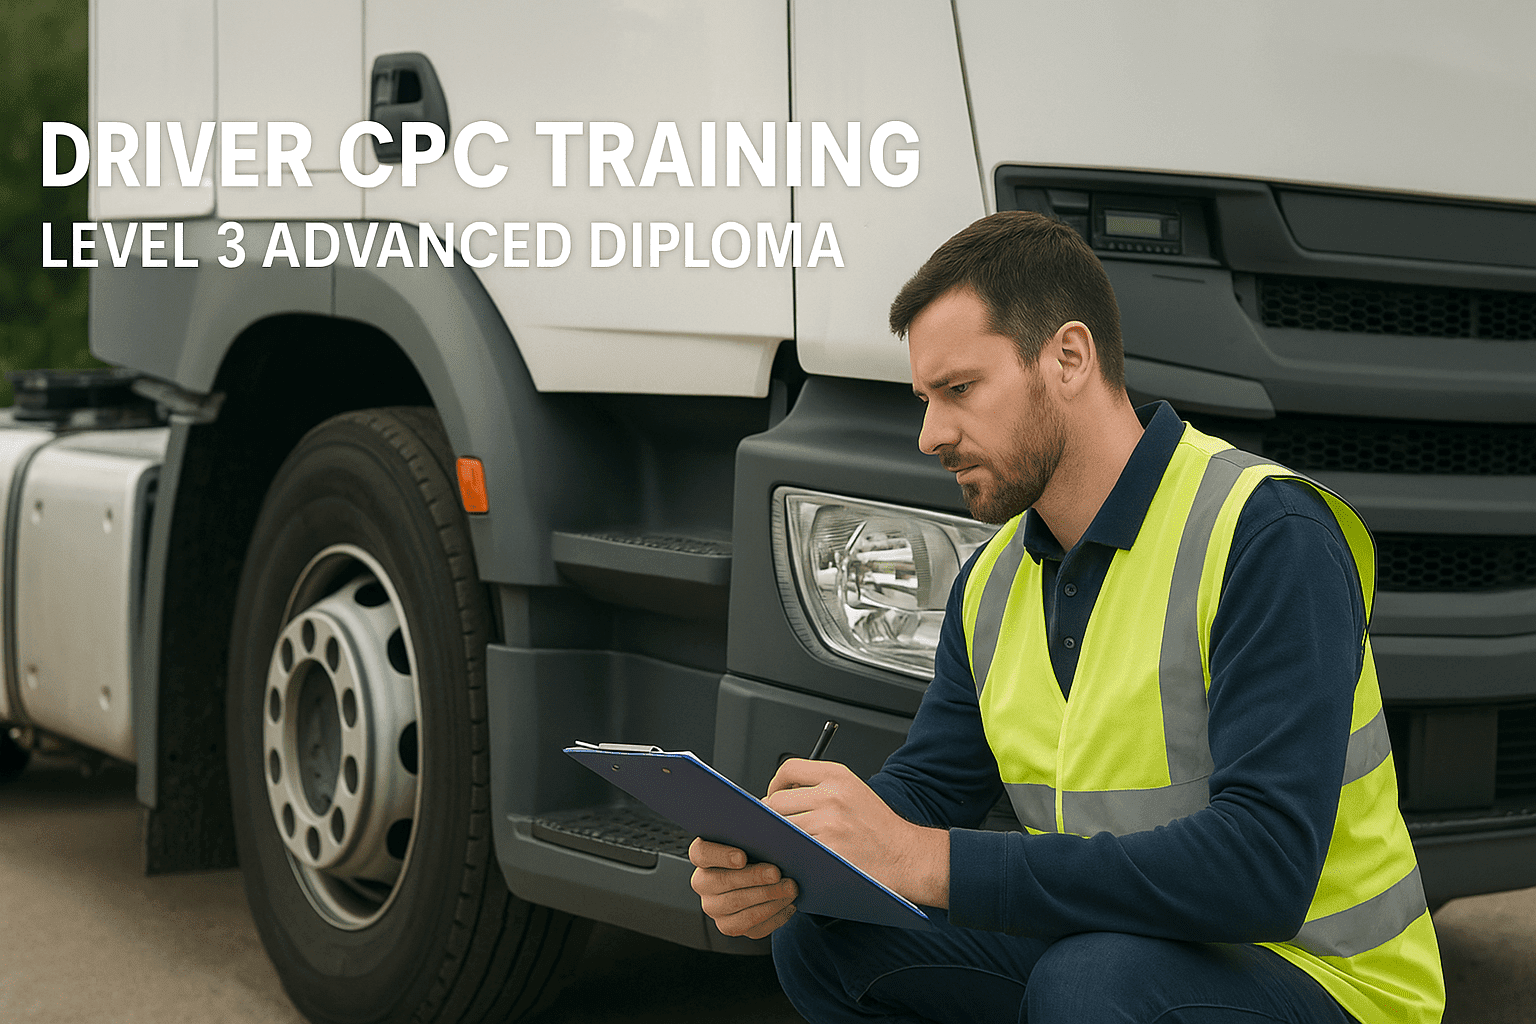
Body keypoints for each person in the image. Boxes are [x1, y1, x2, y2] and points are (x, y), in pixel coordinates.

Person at [688, 211, 1445, 1023]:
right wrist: (805, 852)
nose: (930, 434)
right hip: (1133, 945)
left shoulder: (1266, 535)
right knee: (829, 936)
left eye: (959, 390)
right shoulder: (991, 581)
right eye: (924, 399)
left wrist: (929, 862)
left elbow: (1263, 868)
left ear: (1069, 357)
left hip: (1331, 981)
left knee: (1091, 983)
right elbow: (934, 786)